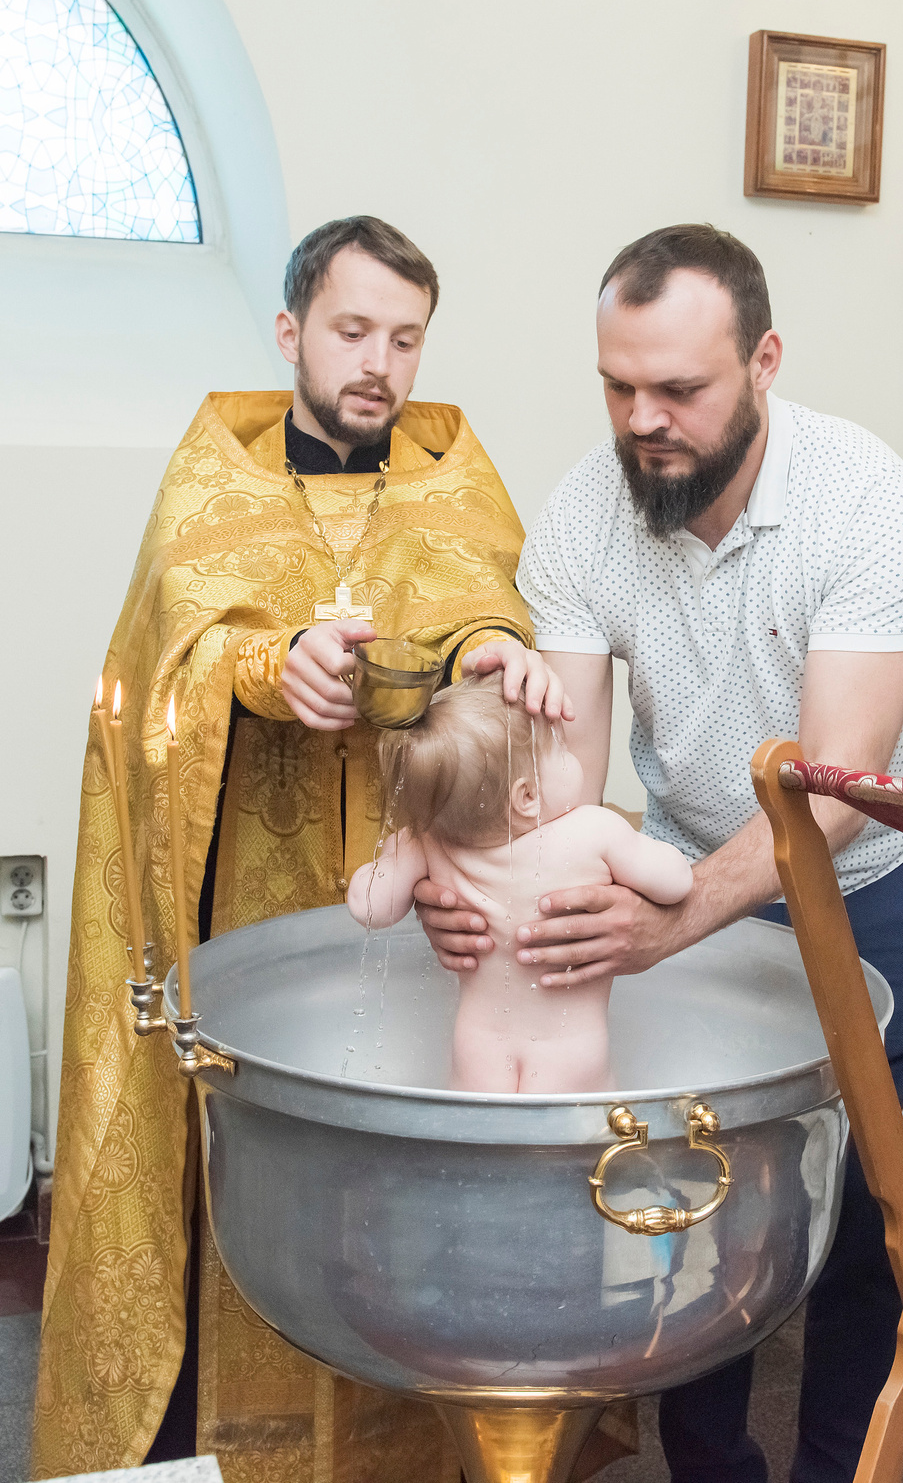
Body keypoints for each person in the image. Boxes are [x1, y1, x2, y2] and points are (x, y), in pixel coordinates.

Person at [32, 215, 568, 1479]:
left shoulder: (455, 475)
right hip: (245, 898)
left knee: (390, 1179)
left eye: (403, 337)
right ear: (290, 332)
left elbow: (488, 603)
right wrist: (265, 667)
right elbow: (161, 667)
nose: (379, 362)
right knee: (253, 1160)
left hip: (408, 899)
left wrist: (489, 648)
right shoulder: (211, 477)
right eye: (351, 330)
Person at [419, 223, 903, 1483]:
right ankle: (710, 1471)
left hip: (867, 884)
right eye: (618, 385)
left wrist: (674, 918)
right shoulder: (583, 516)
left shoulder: (863, 498)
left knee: (877, 1220)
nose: (642, 418)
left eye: (679, 389)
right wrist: (470, 880)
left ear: (763, 361)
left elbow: (836, 795)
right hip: (682, 869)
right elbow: (561, 788)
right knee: (684, 1197)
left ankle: (838, 1468)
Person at [347, 675, 693, 1093]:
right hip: (572, 1051)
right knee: (577, 1154)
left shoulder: (428, 843)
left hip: (478, 1051)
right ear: (526, 796)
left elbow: (370, 908)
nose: (570, 755)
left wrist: (391, 854)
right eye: (560, 749)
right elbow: (676, 882)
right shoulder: (595, 831)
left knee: (484, 1156)